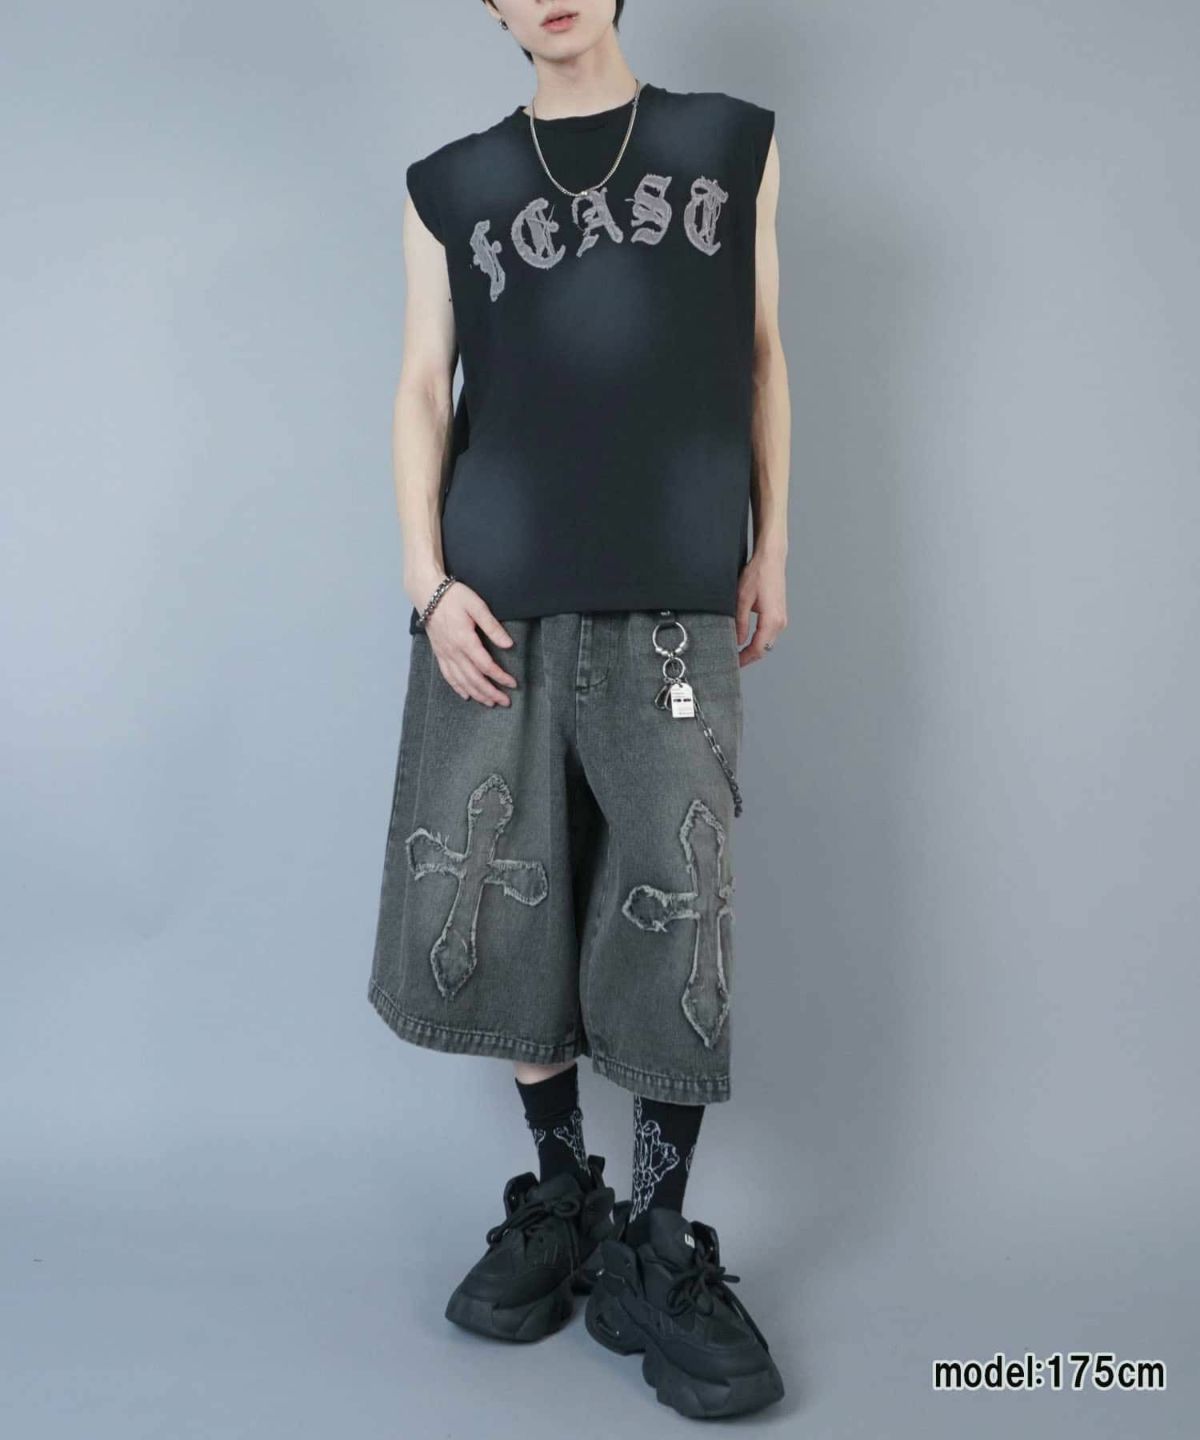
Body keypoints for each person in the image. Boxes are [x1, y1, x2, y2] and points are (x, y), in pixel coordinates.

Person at [367, 0, 790, 1418]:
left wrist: (772, 545)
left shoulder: (726, 146)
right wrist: (427, 582)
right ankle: (565, 1195)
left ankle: (659, 1240)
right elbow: (422, 385)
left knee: (681, 904)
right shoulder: (452, 185)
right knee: (507, 897)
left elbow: (762, 353)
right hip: (496, 604)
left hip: (672, 601)